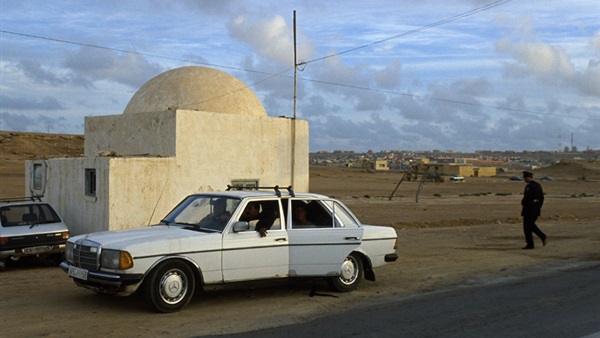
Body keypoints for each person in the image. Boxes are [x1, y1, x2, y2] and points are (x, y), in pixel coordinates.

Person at [521, 171, 547, 249]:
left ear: (528, 177)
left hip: (529, 209)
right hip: (536, 208)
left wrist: (523, 203)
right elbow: (542, 198)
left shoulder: (529, 186)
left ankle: (540, 237)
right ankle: (532, 243)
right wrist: (539, 207)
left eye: (525, 178)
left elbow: (527, 198)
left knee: (528, 226)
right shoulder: (538, 185)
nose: (524, 179)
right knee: (530, 225)